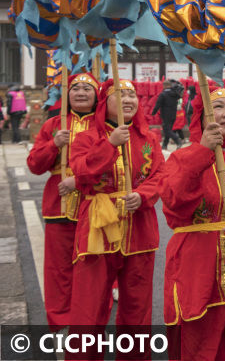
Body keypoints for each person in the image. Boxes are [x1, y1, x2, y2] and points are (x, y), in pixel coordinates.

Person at [160, 86, 225, 361]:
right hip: (197, 273)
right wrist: (203, 152)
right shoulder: (182, 158)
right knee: (198, 349)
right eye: (217, 107)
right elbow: (173, 201)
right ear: (202, 118)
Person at [68, 79, 164, 354]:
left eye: (132, 95)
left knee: (138, 311)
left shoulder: (149, 139)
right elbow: (83, 173)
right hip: (97, 230)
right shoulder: (86, 138)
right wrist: (109, 144)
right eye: (119, 95)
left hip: (140, 230)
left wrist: (143, 195)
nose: (128, 100)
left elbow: (160, 175)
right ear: (104, 103)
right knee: (89, 309)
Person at [25, 73, 99, 330]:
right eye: (75, 88)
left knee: (93, 266)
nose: (80, 92)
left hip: (95, 204)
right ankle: (59, 321)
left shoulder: (104, 125)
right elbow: (34, 165)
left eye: (87, 89)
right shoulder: (54, 125)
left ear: (96, 95)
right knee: (58, 270)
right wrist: (54, 145)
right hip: (59, 204)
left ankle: (90, 319)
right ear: (66, 94)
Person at [152, 79, 184, 149]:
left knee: (167, 130)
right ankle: (164, 145)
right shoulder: (175, 94)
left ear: (165, 86)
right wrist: (178, 83)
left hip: (166, 115)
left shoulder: (163, 94)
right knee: (168, 129)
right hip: (173, 114)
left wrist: (153, 113)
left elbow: (158, 104)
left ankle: (178, 140)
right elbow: (181, 89)